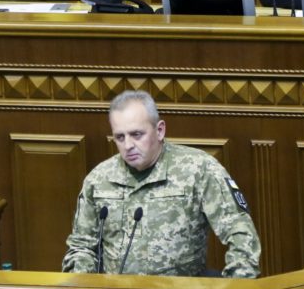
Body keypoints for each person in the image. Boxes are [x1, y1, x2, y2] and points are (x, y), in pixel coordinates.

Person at [62, 90, 261, 278]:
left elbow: (240, 232)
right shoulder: (99, 179)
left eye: (137, 134)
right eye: (120, 137)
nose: (128, 145)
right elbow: (82, 247)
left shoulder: (198, 169)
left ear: (159, 130)